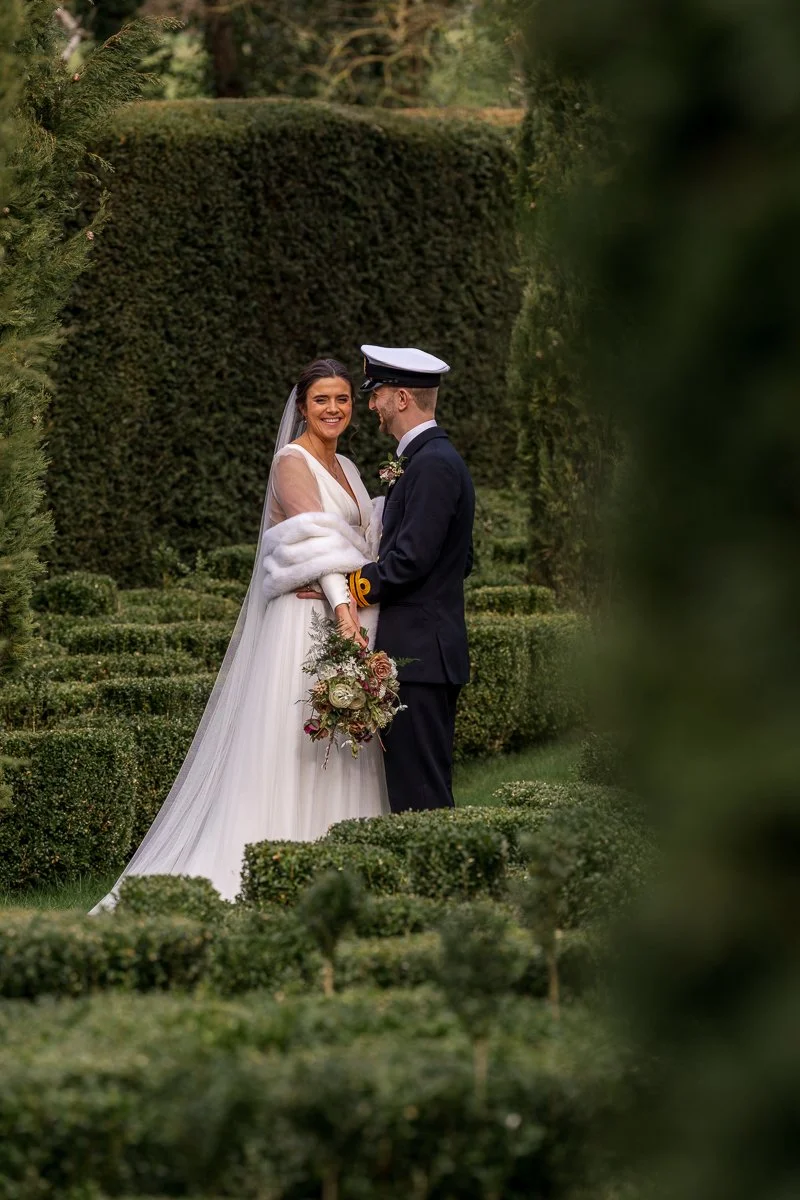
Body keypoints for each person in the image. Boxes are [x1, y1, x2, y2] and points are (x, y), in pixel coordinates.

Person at [90, 358, 389, 912]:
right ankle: (273, 863)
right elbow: (314, 544)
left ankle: (341, 862)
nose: (333, 409)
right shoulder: (291, 462)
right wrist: (347, 614)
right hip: (306, 621)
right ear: (302, 405)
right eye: (321, 399)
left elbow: (355, 542)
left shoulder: (347, 462)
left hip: (344, 611)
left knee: (342, 739)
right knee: (295, 736)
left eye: (342, 399)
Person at [348, 345, 475, 812]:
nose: (371, 405)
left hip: (420, 657)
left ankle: (439, 886)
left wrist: (350, 583)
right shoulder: (426, 459)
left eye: (377, 394)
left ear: (401, 398)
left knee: (420, 797)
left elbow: (410, 559)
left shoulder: (432, 464)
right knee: (416, 788)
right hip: (424, 651)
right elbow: (462, 559)